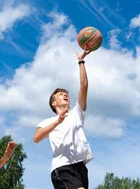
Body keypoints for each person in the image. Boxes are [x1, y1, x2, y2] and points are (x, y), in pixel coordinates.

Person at [34, 49, 93, 189]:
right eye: (61, 94)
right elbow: (36, 138)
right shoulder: (47, 122)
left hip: (81, 167)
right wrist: (57, 122)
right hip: (62, 167)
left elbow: (84, 86)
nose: (65, 95)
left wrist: (81, 61)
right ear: (54, 103)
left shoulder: (76, 113)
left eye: (66, 94)